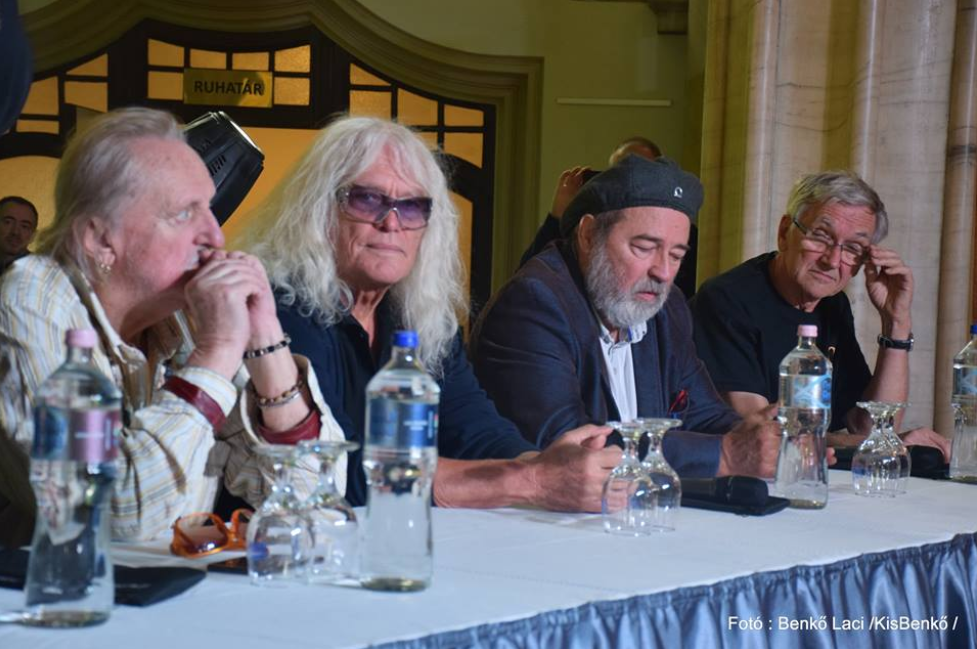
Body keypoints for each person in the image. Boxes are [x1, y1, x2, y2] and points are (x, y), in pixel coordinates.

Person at [0, 107, 347, 545]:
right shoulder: (30, 300)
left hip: (179, 583)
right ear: (101, 239)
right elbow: (111, 518)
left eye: (209, 209)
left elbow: (314, 497)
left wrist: (265, 337)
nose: (215, 236)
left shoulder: (182, 314)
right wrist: (217, 352)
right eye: (184, 213)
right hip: (58, 584)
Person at [248, 115, 620, 512]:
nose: (391, 223)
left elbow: (473, 428)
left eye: (411, 206)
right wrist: (533, 481)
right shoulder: (280, 311)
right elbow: (342, 479)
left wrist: (546, 464)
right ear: (319, 210)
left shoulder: (417, 314)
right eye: (367, 199)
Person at [471, 155, 782, 479]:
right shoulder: (534, 303)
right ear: (589, 235)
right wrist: (727, 454)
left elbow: (703, 415)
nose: (663, 272)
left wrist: (757, 436)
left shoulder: (668, 308)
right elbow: (571, 445)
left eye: (676, 255)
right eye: (644, 248)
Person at [689, 170, 949, 456]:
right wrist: (886, 442)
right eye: (821, 236)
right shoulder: (727, 299)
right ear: (784, 233)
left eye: (853, 248)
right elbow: (759, 435)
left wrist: (896, 321)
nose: (833, 260)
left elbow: (869, 424)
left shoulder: (832, 304)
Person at [520, 137, 698, 296]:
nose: (633, 182)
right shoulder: (592, 227)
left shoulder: (684, 236)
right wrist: (558, 217)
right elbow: (530, 281)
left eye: (675, 256)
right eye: (622, 173)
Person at [0, 196, 39, 272]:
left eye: (24, 226)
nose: (15, 232)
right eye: (8, 222)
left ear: (33, 235)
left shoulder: (43, 273)